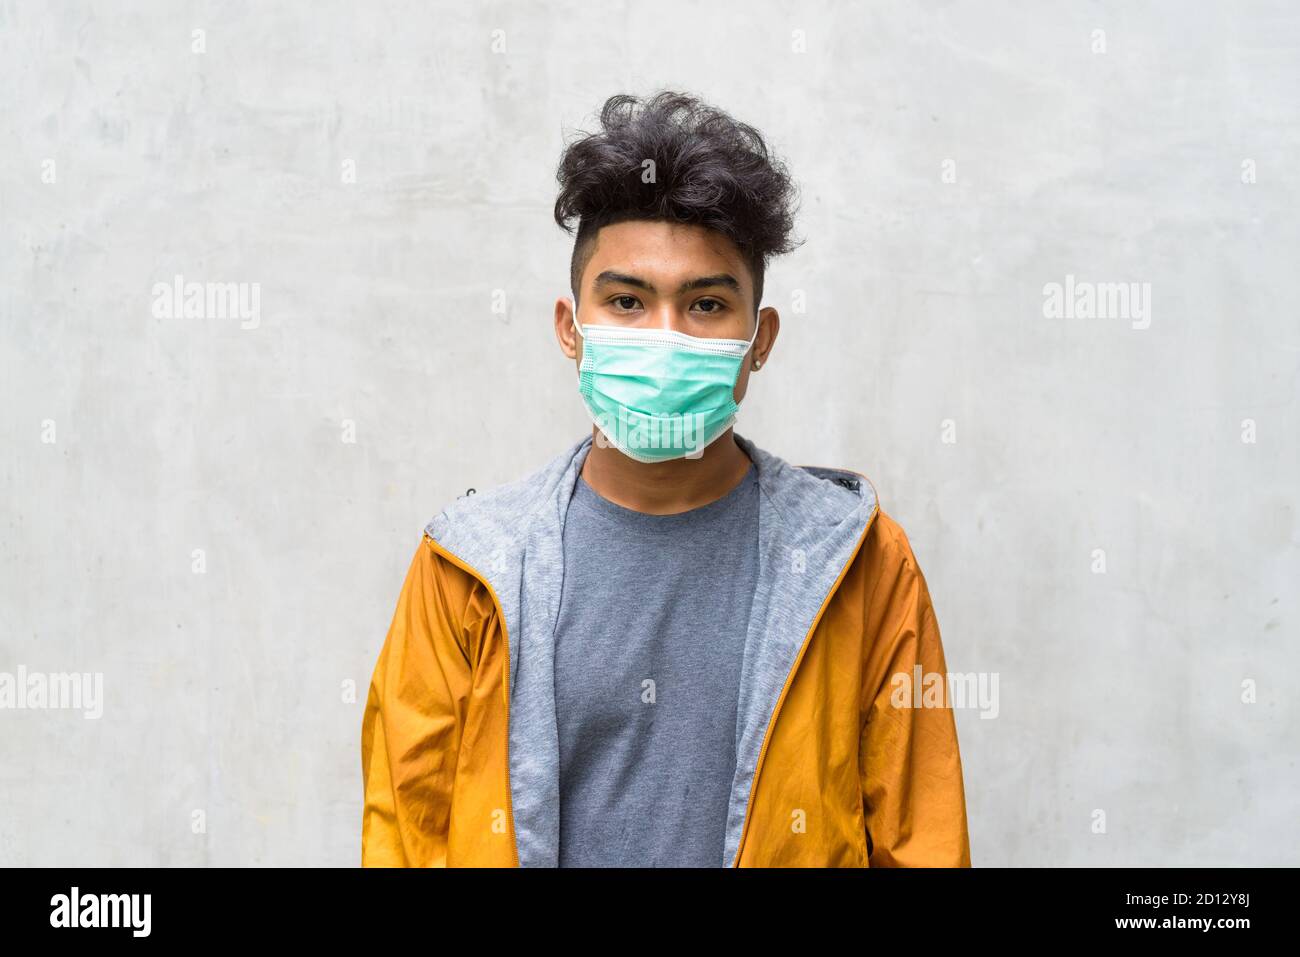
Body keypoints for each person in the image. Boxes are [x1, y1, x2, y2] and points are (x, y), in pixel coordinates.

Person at [361, 91, 971, 867]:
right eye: (626, 300)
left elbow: (923, 844)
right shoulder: (469, 569)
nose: (665, 337)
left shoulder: (861, 566)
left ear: (760, 339)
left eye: (706, 304)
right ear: (569, 329)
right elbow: (404, 840)